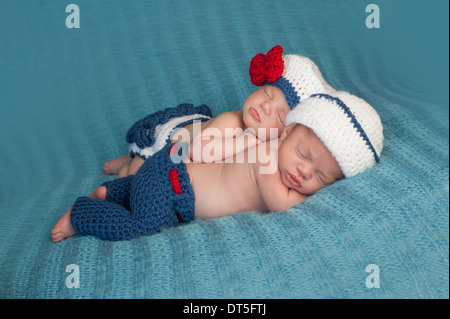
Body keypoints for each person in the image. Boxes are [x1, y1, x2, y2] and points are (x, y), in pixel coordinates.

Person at [51, 90, 384, 242]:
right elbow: (285, 207)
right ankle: (83, 214)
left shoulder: (278, 153)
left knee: (145, 193)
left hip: (171, 178)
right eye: (302, 153)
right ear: (286, 133)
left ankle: (111, 192)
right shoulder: (268, 159)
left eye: (321, 177)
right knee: (140, 227)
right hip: (172, 184)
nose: (303, 171)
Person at [103, 45, 335, 177]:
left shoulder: (274, 150)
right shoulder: (232, 121)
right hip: (176, 142)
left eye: (279, 115)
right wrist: (247, 142)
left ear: (287, 132)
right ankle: (125, 164)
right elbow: (199, 150)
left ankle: (126, 159)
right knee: (138, 172)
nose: (265, 106)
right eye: (267, 93)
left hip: (190, 155)